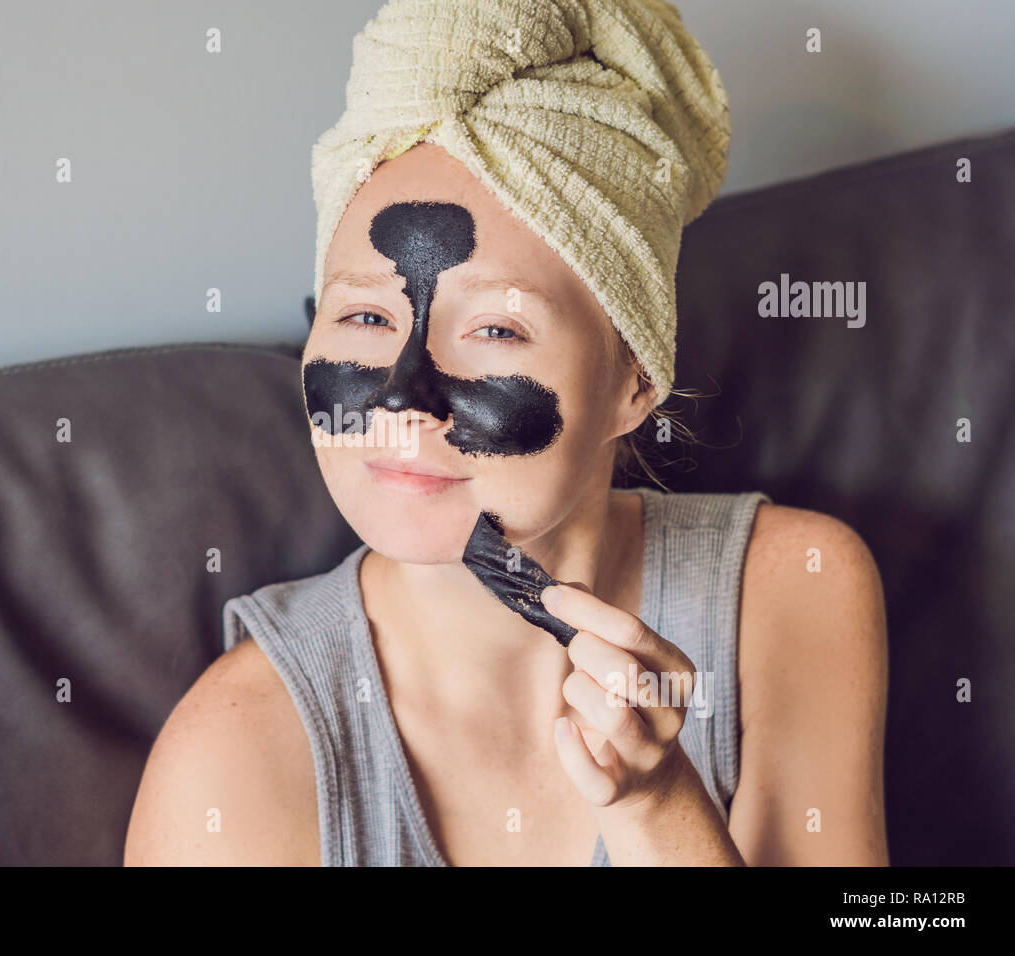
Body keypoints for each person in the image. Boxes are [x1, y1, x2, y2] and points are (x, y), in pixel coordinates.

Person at [125, 0, 888, 866]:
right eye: (366, 314)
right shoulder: (232, 761)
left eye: (495, 330)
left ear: (634, 382)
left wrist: (658, 810)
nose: (404, 401)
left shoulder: (795, 590)